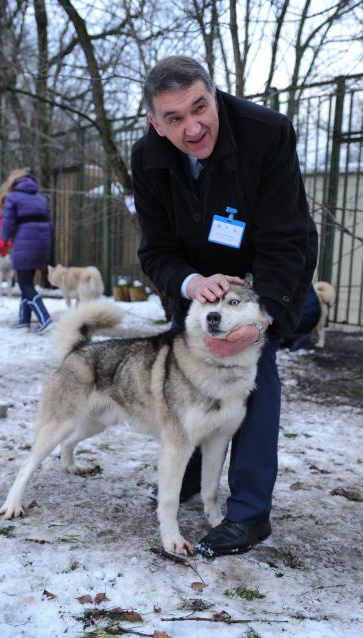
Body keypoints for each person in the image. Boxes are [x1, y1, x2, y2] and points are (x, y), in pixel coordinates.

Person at [131, 56, 318, 557]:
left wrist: (261, 321)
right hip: (197, 287)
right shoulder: (146, 157)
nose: (193, 127)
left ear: (215, 94)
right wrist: (192, 284)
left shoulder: (268, 132)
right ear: (155, 123)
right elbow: (155, 250)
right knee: (186, 379)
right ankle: (189, 478)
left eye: (200, 107)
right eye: (174, 119)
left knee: (253, 380)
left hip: (268, 272)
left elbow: (285, 239)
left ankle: (249, 514)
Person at [0, 168, 54, 332]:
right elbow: (51, 225)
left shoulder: (12, 197)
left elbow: (7, 223)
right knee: (27, 281)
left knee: (24, 283)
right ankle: (24, 320)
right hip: (42, 244)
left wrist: (4, 236)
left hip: (24, 243)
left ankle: (45, 319)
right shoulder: (41, 198)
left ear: (14, 182)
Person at [280, 285, 321, 351]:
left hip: (303, 318)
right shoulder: (303, 280)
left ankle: (295, 337)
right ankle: (293, 338)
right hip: (310, 317)